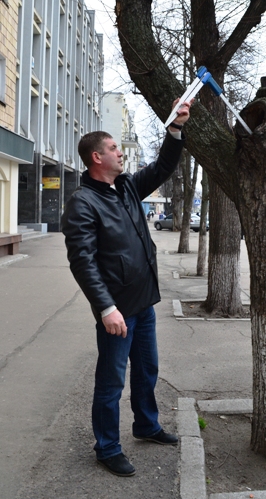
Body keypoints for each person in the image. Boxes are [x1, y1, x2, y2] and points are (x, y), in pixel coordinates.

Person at [61, 99, 191, 477]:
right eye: (115, 149)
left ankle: (146, 425)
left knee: (147, 369)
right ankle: (107, 447)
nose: (121, 153)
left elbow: (164, 166)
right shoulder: (82, 203)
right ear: (96, 158)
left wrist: (176, 129)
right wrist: (105, 308)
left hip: (143, 302)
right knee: (111, 381)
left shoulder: (127, 187)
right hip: (116, 310)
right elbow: (82, 261)